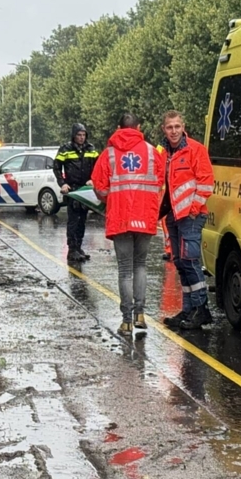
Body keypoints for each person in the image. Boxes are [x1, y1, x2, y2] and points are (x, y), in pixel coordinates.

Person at [91, 113, 165, 336]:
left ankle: (126, 321)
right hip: (145, 215)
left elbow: (100, 187)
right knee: (140, 265)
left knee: (125, 271)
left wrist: (112, 198)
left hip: (121, 217)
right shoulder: (152, 152)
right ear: (139, 127)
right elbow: (160, 181)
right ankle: (140, 314)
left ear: (118, 127)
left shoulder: (109, 154)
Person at [158, 110, 215, 330]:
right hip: (173, 215)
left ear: (183, 127)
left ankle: (201, 309)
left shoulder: (196, 150)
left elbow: (206, 182)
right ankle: (189, 309)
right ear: (164, 129)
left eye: (177, 127)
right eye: (169, 127)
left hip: (191, 215)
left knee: (190, 261)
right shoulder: (163, 153)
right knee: (181, 262)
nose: (173, 131)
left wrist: (193, 208)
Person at [53, 123, 99, 262]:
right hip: (72, 189)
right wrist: (63, 183)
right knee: (73, 220)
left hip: (86, 189)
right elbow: (56, 167)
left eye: (84, 135)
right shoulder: (65, 149)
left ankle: (79, 247)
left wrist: (93, 179)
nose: (81, 138)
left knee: (82, 220)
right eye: (79, 135)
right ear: (74, 135)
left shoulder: (91, 149)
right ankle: (72, 249)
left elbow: (98, 167)